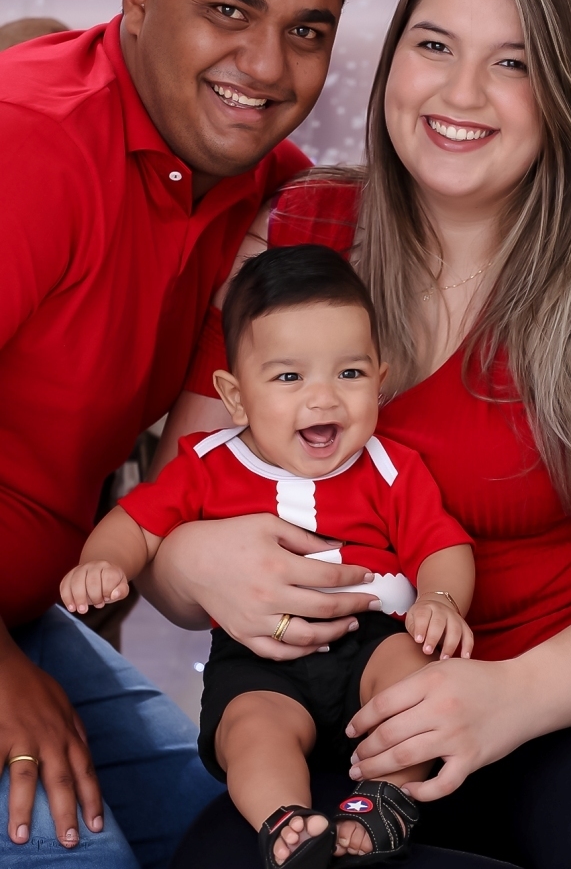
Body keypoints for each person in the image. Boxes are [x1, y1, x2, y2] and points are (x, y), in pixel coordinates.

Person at [148, 0, 571, 869]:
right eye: (434, 46)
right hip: (359, 716)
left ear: (566, 96)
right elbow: (167, 519)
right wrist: (187, 562)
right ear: (393, 62)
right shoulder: (303, 233)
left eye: (513, 64)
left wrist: (514, 695)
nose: (461, 93)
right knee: (224, 857)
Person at [0, 0, 379, 866]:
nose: (266, 65)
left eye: (305, 32)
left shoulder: (265, 188)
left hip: (27, 618)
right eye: (227, 10)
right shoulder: (28, 143)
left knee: (214, 840)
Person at [61, 244, 475, 868]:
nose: (323, 399)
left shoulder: (390, 466)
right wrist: (104, 563)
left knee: (418, 682)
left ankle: (384, 798)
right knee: (250, 729)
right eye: (288, 378)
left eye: (350, 374)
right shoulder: (209, 463)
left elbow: (443, 544)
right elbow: (135, 527)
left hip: (372, 637)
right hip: (259, 657)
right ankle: (285, 823)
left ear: (381, 378)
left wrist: (440, 599)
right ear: (235, 396)